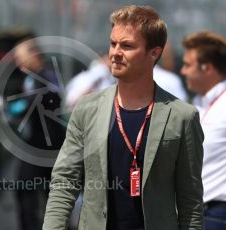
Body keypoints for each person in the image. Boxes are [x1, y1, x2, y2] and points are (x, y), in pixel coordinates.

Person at [43, 5, 204, 230]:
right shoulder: (87, 108)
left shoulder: (182, 117)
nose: (115, 53)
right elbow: (65, 181)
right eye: (113, 43)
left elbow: (191, 202)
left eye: (127, 46)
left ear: (154, 53)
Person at [12, 38, 65, 230]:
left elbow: (46, 99)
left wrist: (16, 108)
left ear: (34, 55)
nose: (18, 62)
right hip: (36, 143)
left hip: (47, 144)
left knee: (47, 196)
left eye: (21, 57)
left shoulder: (47, 76)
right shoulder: (31, 78)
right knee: (28, 193)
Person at [181, 31, 226, 230]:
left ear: (206, 68)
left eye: (188, 65)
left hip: (217, 214)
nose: (183, 71)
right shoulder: (199, 104)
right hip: (195, 213)